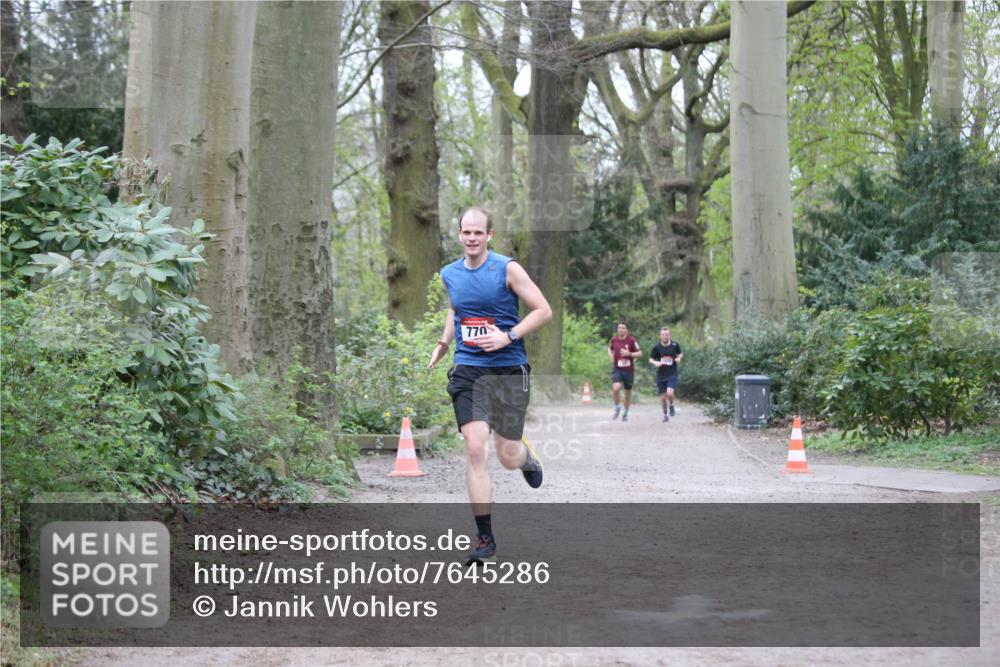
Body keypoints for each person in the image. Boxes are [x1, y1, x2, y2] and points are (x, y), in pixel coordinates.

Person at [428, 206, 552, 565]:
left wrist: (507, 336)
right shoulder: (449, 273)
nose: (471, 238)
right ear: (459, 234)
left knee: (507, 455)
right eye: (466, 232)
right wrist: (442, 344)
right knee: (475, 449)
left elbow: (543, 310)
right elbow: (456, 311)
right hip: (469, 370)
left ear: (489, 235)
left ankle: (526, 456)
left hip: (508, 369)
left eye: (478, 233)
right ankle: (485, 538)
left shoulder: (507, 268)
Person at [607, 322, 641, 421]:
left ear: (627, 330)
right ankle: (617, 407)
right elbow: (609, 348)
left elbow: (640, 353)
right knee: (616, 387)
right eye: (619, 328)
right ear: (617, 329)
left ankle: (625, 413)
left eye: (623, 328)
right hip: (617, 368)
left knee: (627, 393)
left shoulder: (632, 340)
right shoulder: (614, 339)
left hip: (628, 370)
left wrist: (629, 353)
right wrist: (611, 356)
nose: (621, 329)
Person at [649, 326, 683, 422]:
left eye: (667, 335)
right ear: (660, 336)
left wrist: (679, 358)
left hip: (672, 373)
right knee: (663, 398)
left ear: (669, 335)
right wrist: (655, 363)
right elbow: (650, 359)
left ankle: (671, 405)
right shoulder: (656, 347)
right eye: (663, 335)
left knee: (669, 393)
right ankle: (665, 415)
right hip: (661, 375)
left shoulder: (675, 345)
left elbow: (680, 354)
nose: (665, 336)